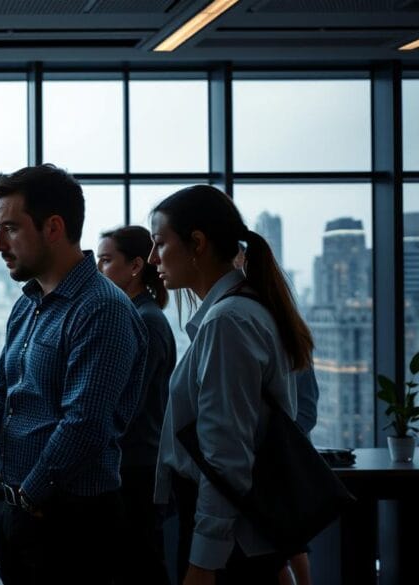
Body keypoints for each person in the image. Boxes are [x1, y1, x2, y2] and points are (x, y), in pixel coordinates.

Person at [0, 164, 148, 585]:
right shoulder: (28, 303)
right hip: (26, 516)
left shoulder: (103, 310)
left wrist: (31, 492)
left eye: (11, 228)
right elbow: (3, 385)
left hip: (74, 526)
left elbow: (85, 424)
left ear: (53, 227)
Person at [149, 185, 313, 585]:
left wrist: (203, 563)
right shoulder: (245, 308)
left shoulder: (229, 321)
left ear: (197, 244)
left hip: (227, 545)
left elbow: (225, 457)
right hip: (241, 532)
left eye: (159, 243)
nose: (153, 258)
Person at [97, 226, 177, 585]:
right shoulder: (138, 316)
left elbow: (126, 403)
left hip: (136, 468)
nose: (98, 269)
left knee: (140, 566)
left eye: (106, 260)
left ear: (135, 267)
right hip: (135, 464)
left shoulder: (144, 321)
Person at [235, 243, 317, 585]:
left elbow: (304, 406)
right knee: (284, 552)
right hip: (279, 462)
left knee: (274, 557)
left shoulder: (254, 324)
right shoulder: (281, 323)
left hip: (267, 465)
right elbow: (307, 407)